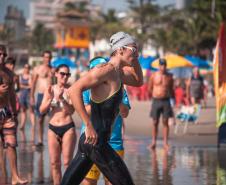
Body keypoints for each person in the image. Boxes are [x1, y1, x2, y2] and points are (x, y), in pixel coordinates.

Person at [61, 31, 143, 185]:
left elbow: (138, 81)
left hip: (91, 143)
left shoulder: (117, 73)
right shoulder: (105, 70)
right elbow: (73, 90)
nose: (137, 52)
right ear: (120, 50)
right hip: (96, 143)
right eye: (133, 49)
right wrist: (88, 125)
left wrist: (135, 57)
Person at [80, 57, 131, 185]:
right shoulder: (87, 90)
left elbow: (125, 113)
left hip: (114, 143)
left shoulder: (119, 88)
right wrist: (102, 101)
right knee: (88, 182)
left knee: (113, 181)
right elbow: (84, 111)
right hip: (91, 141)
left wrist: (113, 98)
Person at [39, 64, 76, 185]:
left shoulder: (71, 89)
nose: (65, 77)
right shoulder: (50, 89)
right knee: (54, 163)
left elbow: (71, 111)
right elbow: (41, 110)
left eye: (67, 74)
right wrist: (50, 99)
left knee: (67, 162)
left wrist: (62, 99)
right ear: (56, 74)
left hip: (68, 127)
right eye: (62, 74)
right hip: (53, 128)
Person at [0, 44, 28, 184]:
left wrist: (15, 113)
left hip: (6, 112)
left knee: (11, 143)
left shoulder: (9, 73)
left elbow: (11, 95)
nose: (2, 57)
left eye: (4, 55)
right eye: (0, 54)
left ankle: (15, 177)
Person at [147, 58, 174, 150]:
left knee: (165, 122)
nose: (163, 67)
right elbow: (149, 87)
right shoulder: (153, 75)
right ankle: (153, 142)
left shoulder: (169, 76)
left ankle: (165, 143)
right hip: (156, 100)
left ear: (166, 66)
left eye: (164, 65)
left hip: (166, 100)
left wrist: (173, 101)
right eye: (161, 65)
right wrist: (155, 94)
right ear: (159, 66)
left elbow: (171, 89)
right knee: (155, 122)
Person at [30, 50, 53, 146]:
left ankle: (53, 139)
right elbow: (33, 83)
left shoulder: (53, 70)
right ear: (43, 58)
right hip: (40, 95)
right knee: (40, 119)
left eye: (49, 57)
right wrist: (31, 97)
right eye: (46, 57)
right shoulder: (37, 69)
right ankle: (40, 139)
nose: (47, 59)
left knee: (52, 118)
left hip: (50, 95)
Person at [18, 64, 36, 143]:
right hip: (22, 95)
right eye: (25, 67)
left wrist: (24, 86)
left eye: (28, 67)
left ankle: (33, 125)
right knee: (23, 111)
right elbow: (19, 85)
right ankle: (22, 125)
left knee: (31, 111)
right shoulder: (21, 76)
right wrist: (26, 86)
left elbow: (31, 86)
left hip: (29, 95)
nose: (26, 69)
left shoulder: (30, 76)